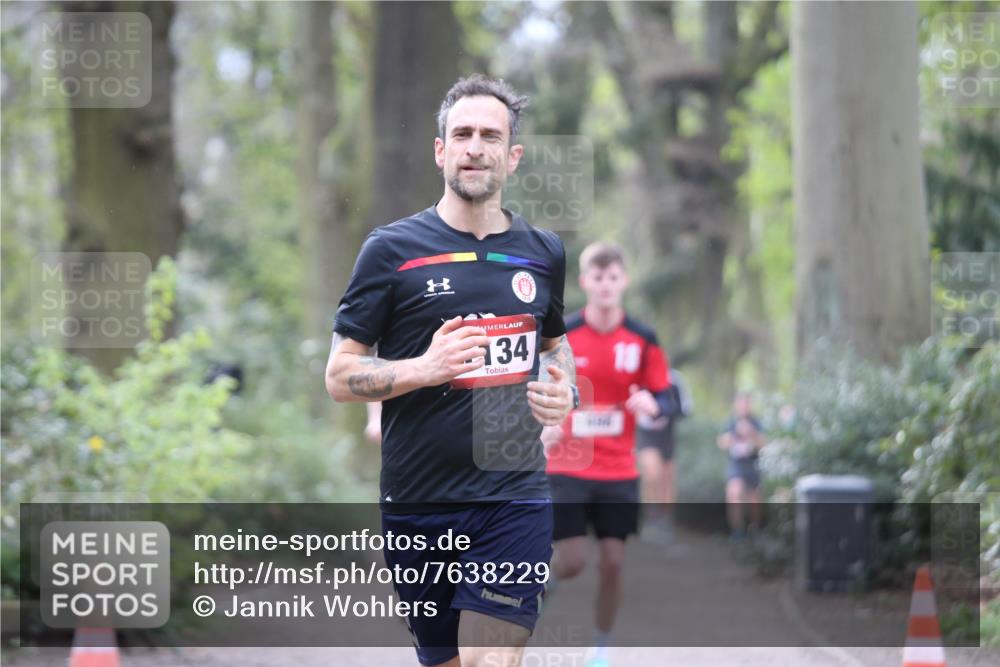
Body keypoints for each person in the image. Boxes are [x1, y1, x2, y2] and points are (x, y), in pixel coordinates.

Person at [325, 74, 577, 667]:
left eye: (490, 135)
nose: (474, 146)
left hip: (513, 495)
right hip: (418, 501)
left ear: (512, 157)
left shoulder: (543, 253)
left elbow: (556, 346)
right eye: (461, 134)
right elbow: (339, 375)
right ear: (440, 150)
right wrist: (424, 367)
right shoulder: (390, 250)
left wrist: (564, 388)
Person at [543, 241, 675, 667]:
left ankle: (600, 647)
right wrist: (546, 422)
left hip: (619, 468)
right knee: (574, 560)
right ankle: (535, 589)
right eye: (597, 278)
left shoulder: (641, 338)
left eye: (612, 277)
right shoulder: (564, 334)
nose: (605, 285)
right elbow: (539, 383)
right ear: (585, 282)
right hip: (568, 463)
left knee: (614, 562)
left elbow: (665, 394)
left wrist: (653, 406)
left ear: (624, 281)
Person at [636, 369, 691, 544]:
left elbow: (685, 409)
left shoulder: (675, 379)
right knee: (652, 473)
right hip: (646, 436)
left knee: (667, 480)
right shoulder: (638, 376)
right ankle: (650, 517)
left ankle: (665, 520)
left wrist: (666, 409)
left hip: (667, 436)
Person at [717, 392, 767, 541]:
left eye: (746, 403)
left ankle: (755, 530)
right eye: (741, 403)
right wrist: (735, 433)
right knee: (734, 493)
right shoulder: (731, 422)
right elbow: (721, 442)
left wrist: (751, 433)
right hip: (736, 466)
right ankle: (737, 532)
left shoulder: (756, 422)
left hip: (753, 466)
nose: (744, 406)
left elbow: (764, 443)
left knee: (754, 501)